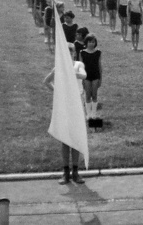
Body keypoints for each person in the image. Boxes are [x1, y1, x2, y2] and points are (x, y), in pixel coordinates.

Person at [44, 42, 87, 184]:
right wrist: (57, 91)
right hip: (64, 106)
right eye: (66, 52)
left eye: (71, 51)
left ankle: (76, 171)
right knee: (65, 140)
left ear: (74, 53)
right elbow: (46, 81)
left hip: (76, 105)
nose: (69, 54)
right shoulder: (59, 67)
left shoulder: (78, 64)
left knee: (75, 139)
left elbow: (83, 75)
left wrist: (69, 72)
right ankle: (65, 172)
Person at [80, 34, 102, 119]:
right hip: (86, 76)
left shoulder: (98, 52)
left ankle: (94, 114)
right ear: (86, 42)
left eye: (93, 42)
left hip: (95, 75)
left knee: (94, 95)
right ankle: (88, 114)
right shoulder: (82, 53)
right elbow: (81, 66)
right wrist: (82, 78)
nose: (91, 44)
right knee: (88, 95)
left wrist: (100, 78)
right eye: (89, 42)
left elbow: (100, 66)